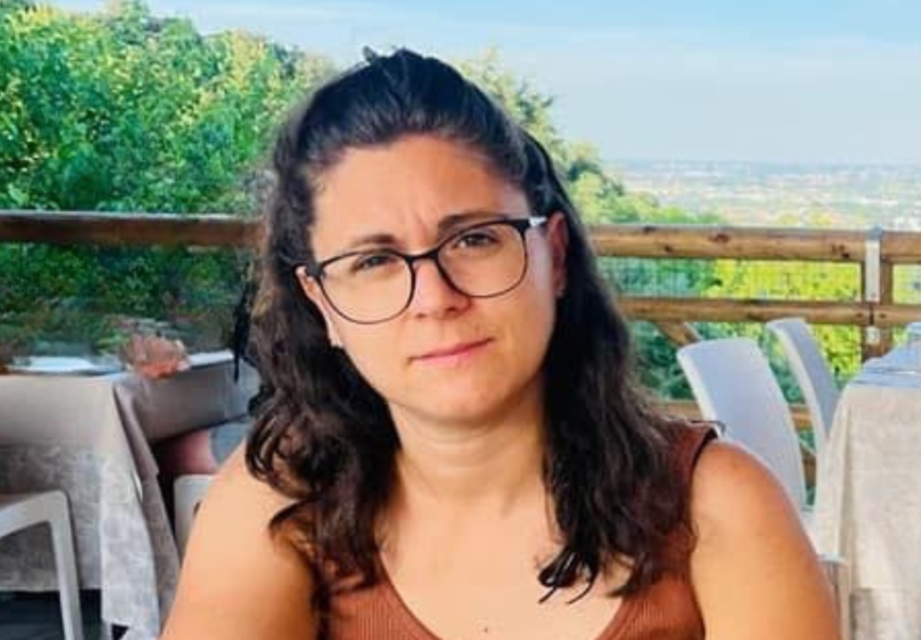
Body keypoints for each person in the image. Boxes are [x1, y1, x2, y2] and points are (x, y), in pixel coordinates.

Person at [161, 48, 840, 640]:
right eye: (374, 261)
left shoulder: (716, 506)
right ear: (323, 305)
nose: (435, 298)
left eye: (474, 239)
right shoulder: (281, 509)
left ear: (555, 256)